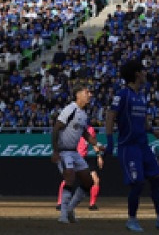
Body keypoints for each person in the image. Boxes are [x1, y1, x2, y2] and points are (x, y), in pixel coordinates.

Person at [105, 59, 159, 232]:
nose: (145, 74)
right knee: (138, 183)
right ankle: (131, 219)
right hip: (128, 147)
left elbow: (142, 120)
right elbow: (110, 117)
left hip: (143, 145)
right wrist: (110, 141)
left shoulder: (141, 95)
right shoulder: (123, 94)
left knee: (157, 178)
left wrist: (152, 130)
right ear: (137, 74)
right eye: (143, 71)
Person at [52, 85, 103, 224]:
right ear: (78, 95)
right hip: (63, 151)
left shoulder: (83, 113)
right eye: (87, 92)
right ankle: (62, 215)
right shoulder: (70, 110)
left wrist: (97, 145)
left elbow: (85, 133)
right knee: (69, 177)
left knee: (89, 181)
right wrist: (56, 151)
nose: (90, 95)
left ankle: (70, 209)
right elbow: (56, 128)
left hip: (74, 152)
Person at [56, 124, 103, 212]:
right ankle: (60, 203)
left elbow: (94, 143)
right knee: (67, 180)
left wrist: (99, 156)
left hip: (84, 159)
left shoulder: (90, 129)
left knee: (95, 180)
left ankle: (92, 204)